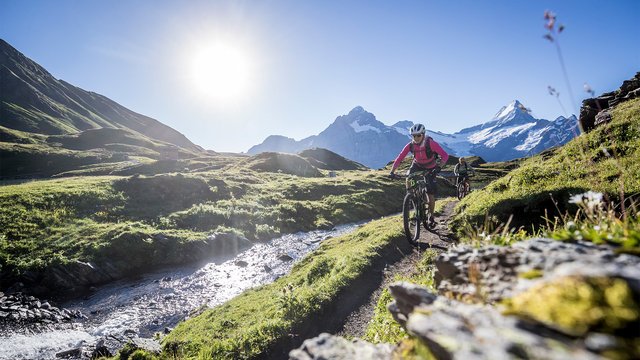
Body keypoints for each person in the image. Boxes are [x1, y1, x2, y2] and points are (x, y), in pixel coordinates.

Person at [389, 123, 449, 227]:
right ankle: (412, 197)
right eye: (414, 136)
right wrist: (392, 171)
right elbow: (400, 158)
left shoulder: (430, 143)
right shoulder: (411, 145)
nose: (416, 138)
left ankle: (431, 217)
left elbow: (445, 155)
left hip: (431, 167)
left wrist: (439, 167)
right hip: (417, 165)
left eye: (418, 135)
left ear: (423, 134)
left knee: (430, 193)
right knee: (408, 178)